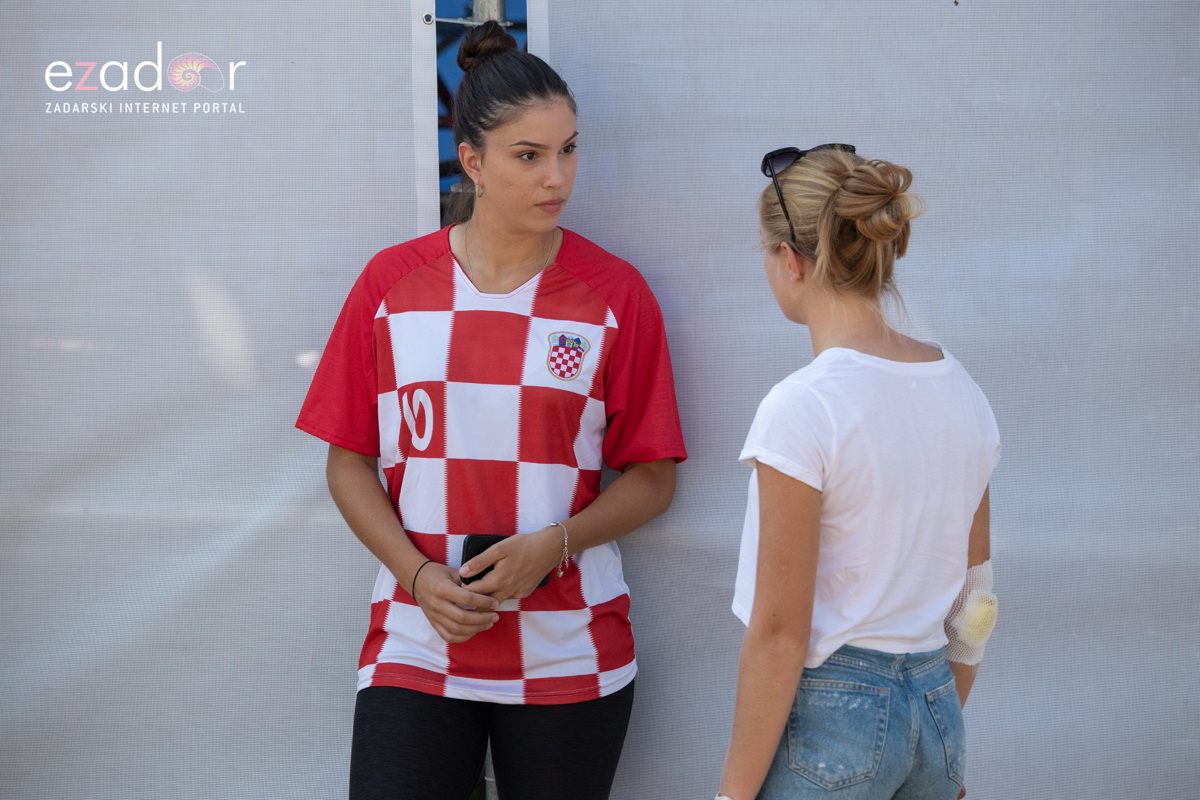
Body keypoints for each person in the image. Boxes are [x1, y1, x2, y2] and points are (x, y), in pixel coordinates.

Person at [296, 22, 686, 800]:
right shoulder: (389, 285)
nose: (557, 177)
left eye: (569, 149)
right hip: (416, 644)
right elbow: (348, 463)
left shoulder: (618, 295)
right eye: (529, 156)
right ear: (471, 161)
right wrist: (415, 576)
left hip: (568, 653)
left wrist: (558, 542)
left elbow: (652, 477)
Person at [715, 145, 1000, 800]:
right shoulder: (962, 391)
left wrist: (730, 796)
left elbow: (780, 634)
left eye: (766, 248)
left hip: (832, 722)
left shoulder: (802, 407)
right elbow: (979, 597)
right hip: (937, 711)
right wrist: (933, 722)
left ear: (792, 262)